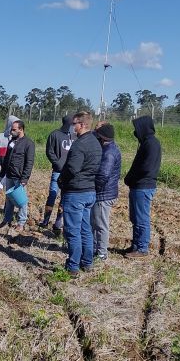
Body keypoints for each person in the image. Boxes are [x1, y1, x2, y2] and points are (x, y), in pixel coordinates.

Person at [58, 111, 102, 276]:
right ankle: (87, 262)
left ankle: (73, 266)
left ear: (82, 125)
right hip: (90, 191)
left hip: (76, 192)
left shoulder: (79, 144)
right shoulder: (95, 142)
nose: (72, 126)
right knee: (86, 229)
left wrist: (62, 180)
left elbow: (72, 169)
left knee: (73, 231)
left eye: (74, 123)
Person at [123, 116, 161, 258]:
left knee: (141, 219)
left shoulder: (151, 144)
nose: (135, 132)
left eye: (137, 129)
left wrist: (131, 177)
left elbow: (146, 167)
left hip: (143, 186)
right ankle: (136, 245)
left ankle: (142, 248)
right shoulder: (147, 142)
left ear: (143, 128)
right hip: (138, 186)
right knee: (135, 218)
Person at [39, 115, 75, 229]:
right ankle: (45, 220)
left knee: (64, 197)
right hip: (58, 171)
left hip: (69, 172)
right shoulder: (54, 134)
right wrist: (58, 163)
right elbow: (49, 151)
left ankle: (58, 223)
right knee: (53, 194)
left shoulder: (76, 136)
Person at [92, 123, 121, 261]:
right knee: (95, 222)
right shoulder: (108, 147)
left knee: (101, 225)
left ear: (102, 138)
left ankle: (102, 253)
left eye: (98, 135)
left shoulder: (109, 153)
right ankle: (93, 248)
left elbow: (103, 176)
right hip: (104, 193)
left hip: (104, 194)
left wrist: (94, 188)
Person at [0, 120, 35, 231]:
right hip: (9, 175)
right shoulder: (11, 142)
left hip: (19, 177)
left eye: (14, 129)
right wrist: (2, 173)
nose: (12, 131)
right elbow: (6, 158)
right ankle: (7, 220)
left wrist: (25, 178)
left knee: (21, 200)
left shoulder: (28, 143)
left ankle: (21, 222)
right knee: (9, 199)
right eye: (12, 129)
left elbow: (29, 162)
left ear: (21, 129)